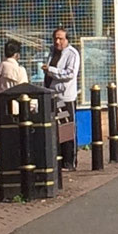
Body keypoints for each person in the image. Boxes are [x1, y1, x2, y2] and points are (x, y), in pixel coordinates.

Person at [45, 26, 81, 168]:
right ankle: (58, 160)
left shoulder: (72, 54)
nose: (57, 41)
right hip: (52, 95)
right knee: (55, 129)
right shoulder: (52, 52)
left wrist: (51, 71)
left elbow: (70, 74)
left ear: (67, 40)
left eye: (60, 38)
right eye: (55, 38)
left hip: (64, 97)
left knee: (66, 128)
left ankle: (69, 161)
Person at [0, 38, 27, 143]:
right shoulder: (19, 70)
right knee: (12, 141)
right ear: (17, 55)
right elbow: (24, 91)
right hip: (12, 107)